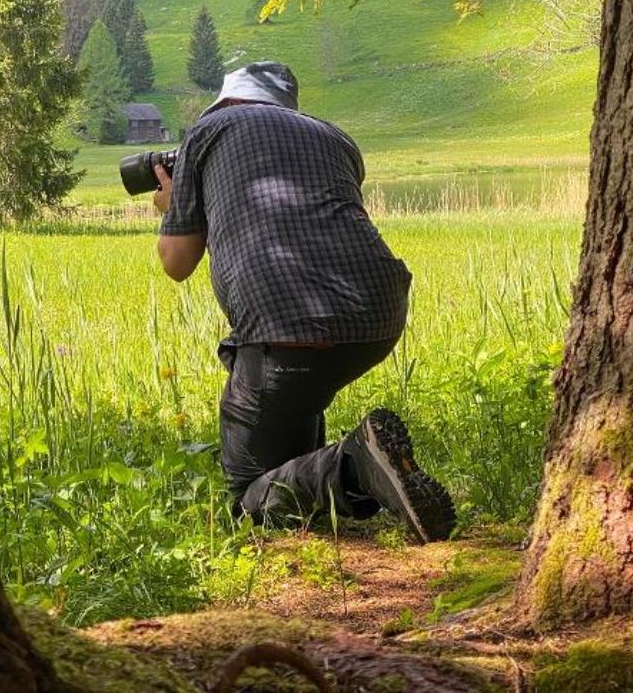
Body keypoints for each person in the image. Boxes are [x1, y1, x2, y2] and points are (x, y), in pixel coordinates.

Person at [152, 61, 455, 541]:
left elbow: (177, 261)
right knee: (292, 415)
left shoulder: (208, 131)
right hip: (378, 317)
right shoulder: (334, 137)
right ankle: (355, 470)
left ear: (226, 101)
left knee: (250, 496)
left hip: (284, 327)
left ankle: (356, 467)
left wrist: (175, 205)